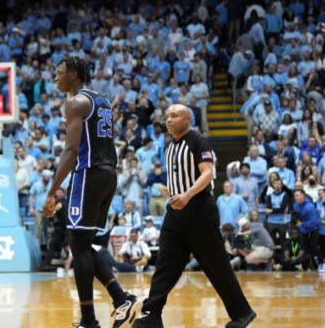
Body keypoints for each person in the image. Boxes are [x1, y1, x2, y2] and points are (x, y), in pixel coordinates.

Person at [133, 104, 255, 328]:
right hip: (176, 210)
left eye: (174, 116)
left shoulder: (198, 141)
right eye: (167, 116)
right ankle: (152, 314)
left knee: (215, 264)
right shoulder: (170, 146)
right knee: (165, 263)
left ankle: (243, 313)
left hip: (199, 209)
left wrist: (187, 194)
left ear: (188, 119)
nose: (168, 120)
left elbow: (208, 173)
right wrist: (171, 192)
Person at [43, 57, 141, 328]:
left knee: (78, 244)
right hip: (108, 173)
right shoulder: (102, 101)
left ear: (74, 74)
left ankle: (89, 320)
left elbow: (72, 150)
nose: (55, 78)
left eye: (59, 72)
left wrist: (53, 191)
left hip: (89, 172)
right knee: (82, 244)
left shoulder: (76, 102)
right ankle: (121, 300)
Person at [292, 189, 323, 272]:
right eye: (295, 196)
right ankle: (305, 266)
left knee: (313, 248)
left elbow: (314, 222)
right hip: (303, 230)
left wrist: (302, 224)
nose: (296, 197)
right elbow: (296, 217)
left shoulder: (310, 207)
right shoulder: (295, 205)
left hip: (313, 230)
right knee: (304, 249)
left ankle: (320, 265)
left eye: (297, 195)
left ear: (303, 196)